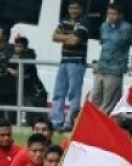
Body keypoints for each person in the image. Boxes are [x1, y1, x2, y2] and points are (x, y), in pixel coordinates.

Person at [92, 3, 132, 114]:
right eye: (109, 13)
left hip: (115, 71)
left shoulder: (128, 28)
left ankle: (100, 128)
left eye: (114, 14)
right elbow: (103, 46)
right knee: (95, 99)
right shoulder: (104, 26)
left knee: (108, 104)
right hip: (101, 68)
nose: (111, 16)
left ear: (121, 15)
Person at [50, 0, 89, 131]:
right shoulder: (64, 21)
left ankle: (69, 123)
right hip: (64, 61)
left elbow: (75, 42)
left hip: (77, 63)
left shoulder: (84, 23)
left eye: (76, 8)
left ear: (81, 10)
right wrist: (70, 36)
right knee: (58, 93)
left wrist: (63, 36)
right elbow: (53, 37)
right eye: (71, 8)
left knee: (73, 95)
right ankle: (56, 122)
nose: (73, 11)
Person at [8, 36, 48, 124]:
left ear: (25, 47)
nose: (17, 48)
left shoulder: (28, 56)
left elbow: (18, 73)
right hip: (24, 92)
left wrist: (7, 68)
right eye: (16, 46)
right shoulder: (11, 55)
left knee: (40, 117)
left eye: (20, 46)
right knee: (27, 115)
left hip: (36, 91)